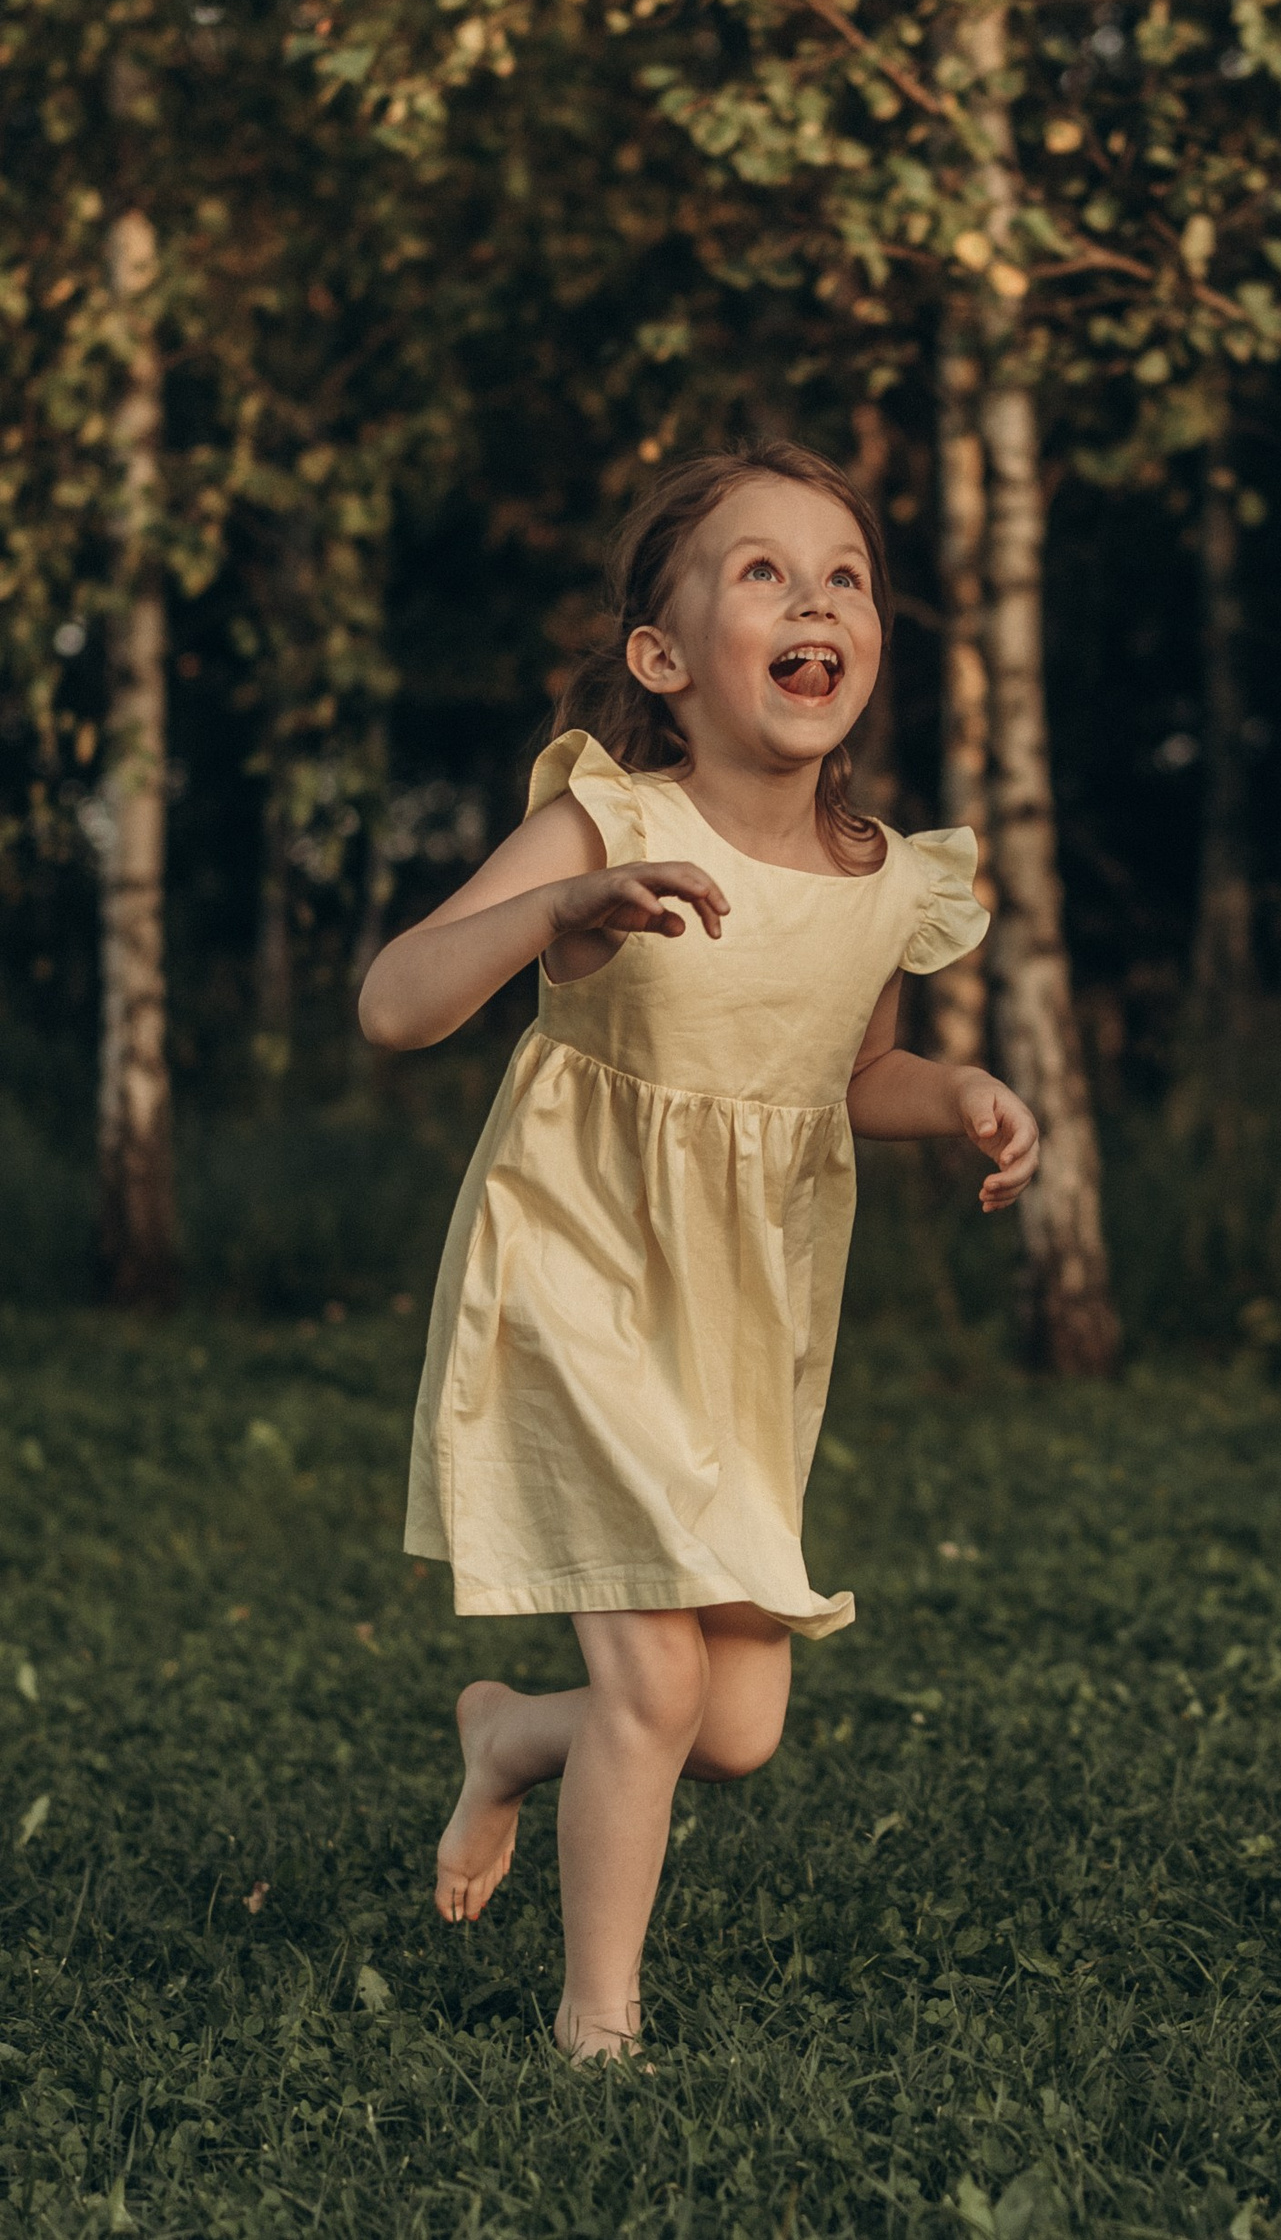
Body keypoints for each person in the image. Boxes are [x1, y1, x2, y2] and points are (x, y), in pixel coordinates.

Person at [360, 440, 1038, 2061]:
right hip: (580, 1272)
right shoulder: (613, 812)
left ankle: (516, 1734)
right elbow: (395, 1000)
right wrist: (555, 919)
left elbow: (850, 1074)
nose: (816, 597)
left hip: (746, 1318)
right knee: (662, 1690)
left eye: (846, 574)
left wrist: (961, 1095)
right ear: (663, 661)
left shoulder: (888, 881)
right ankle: (599, 2028)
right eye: (762, 571)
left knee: (732, 1726)